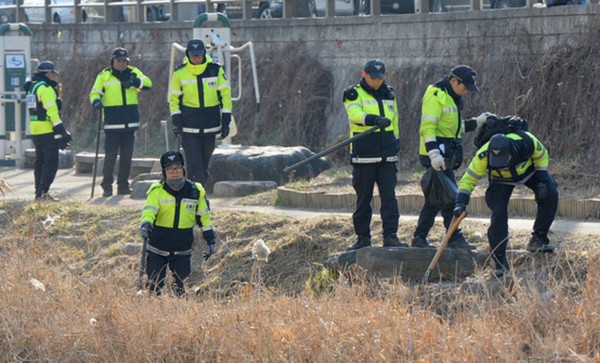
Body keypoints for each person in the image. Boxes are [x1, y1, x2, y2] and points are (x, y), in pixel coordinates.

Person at [453, 128, 558, 277]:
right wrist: (460, 203)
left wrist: (541, 182)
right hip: (501, 180)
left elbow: (542, 155)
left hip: (528, 172)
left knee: (550, 193)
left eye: (503, 158)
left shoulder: (526, 141)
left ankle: (539, 238)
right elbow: (468, 180)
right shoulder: (483, 155)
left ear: (511, 151)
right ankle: (499, 261)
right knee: (498, 214)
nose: (500, 162)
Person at [411, 65, 489, 250]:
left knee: (437, 198)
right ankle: (452, 237)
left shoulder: (452, 98)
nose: (466, 91)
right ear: (454, 81)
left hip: (446, 155)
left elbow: (454, 128)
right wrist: (434, 154)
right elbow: (427, 127)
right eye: (465, 87)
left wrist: (477, 122)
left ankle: (421, 237)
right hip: (436, 156)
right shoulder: (436, 96)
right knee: (449, 197)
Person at [342, 59, 406, 251]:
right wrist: (373, 120)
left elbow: (394, 120)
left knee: (389, 199)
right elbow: (354, 115)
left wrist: (396, 140)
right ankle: (363, 239)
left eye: (380, 78)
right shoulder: (353, 94)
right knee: (363, 200)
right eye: (372, 78)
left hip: (387, 156)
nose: (376, 82)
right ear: (364, 74)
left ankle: (391, 236)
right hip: (364, 156)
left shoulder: (389, 94)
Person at [139, 151, 218, 296]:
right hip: (158, 246)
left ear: (183, 169)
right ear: (164, 172)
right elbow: (149, 211)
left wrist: (210, 239)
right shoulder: (157, 191)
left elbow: (204, 218)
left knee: (181, 288)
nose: (174, 172)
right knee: (154, 286)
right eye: (170, 169)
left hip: (183, 248)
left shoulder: (196, 191)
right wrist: (146, 224)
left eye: (177, 168)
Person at [89, 47, 152, 197]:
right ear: (113, 61)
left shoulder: (133, 72)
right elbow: (94, 93)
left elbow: (148, 83)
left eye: (124, 61)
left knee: (126, 156)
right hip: (112, 122)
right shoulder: (104, 75)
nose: (122, 63)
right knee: (110, 156)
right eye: (119, 60)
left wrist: (135, 82)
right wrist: (96, 102)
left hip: (130, 123)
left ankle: (123, 186)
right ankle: (107, 186)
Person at [168, 39, 232, 185]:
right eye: (193, 55)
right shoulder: (180, 73)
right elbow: (174, 100)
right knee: (194, 165)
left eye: (199, 55)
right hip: (188, 127)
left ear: (204, 53)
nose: (196, 58)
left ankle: (198, 190)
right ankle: (198, 197)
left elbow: (225, 96)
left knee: (204, 164)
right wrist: (177, 123)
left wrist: (226, 121)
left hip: (210, 125)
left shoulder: (215, 69)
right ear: (188, 55)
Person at [25, 61, 72, 201]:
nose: (55, 76)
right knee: (51, 162)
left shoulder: (32, 87)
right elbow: (52, 111)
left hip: (35, 129)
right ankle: (43, 193)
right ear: (47, 73)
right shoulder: (45, 88)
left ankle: (38, 193)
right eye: (53, 73)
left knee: (40, 162)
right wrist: (62, 131)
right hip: (47, 129)